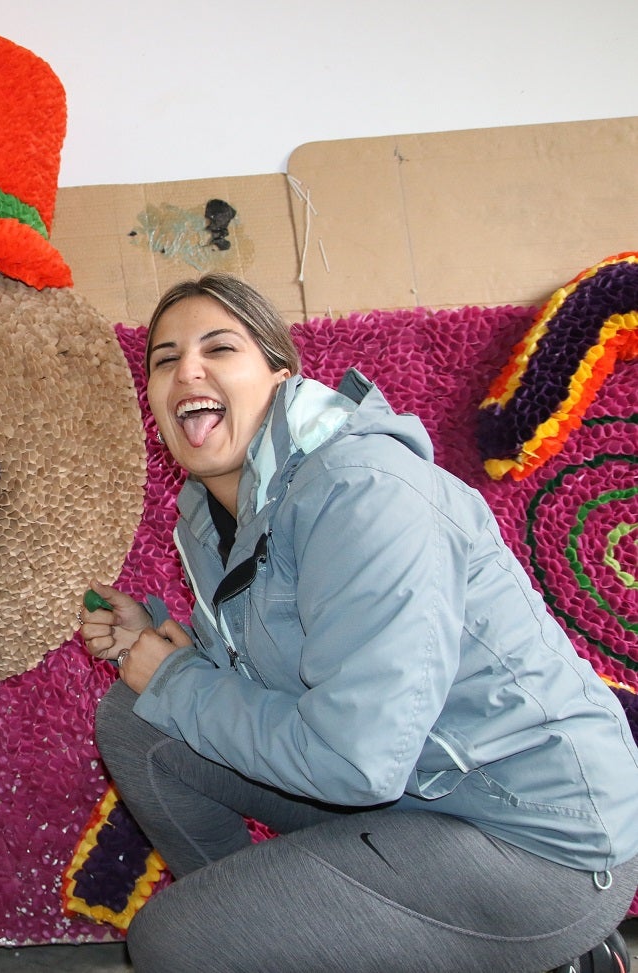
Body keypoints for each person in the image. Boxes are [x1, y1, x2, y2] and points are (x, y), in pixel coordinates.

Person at [83, 273, 638, 972]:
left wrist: (174, 677)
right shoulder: (212, 515)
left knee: (172, 940)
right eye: (164, 359)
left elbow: (356, 760)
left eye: (218, 348)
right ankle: (282, 934)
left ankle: (563, 957)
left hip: (538, 838)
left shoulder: (362, 491)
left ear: (281, 375)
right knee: (139, 721)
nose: (186, 369)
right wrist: (155, 638)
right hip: (413, 790)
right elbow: (267, 670)